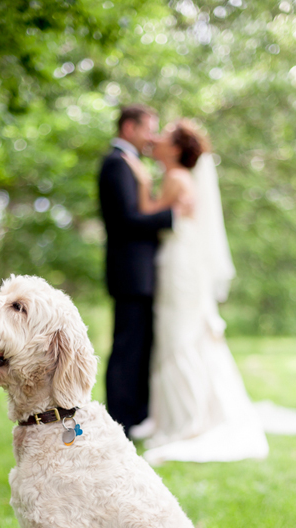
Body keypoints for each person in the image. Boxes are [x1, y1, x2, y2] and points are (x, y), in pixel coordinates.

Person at [121, 121, 271, 463]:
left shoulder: (175, 178)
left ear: (175, 150)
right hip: (178, 262)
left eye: (164, 137)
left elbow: (146, 212)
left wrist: (142, 181)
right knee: (180, 338)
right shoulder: (178, 178)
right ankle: (177, 417)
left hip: (179, 266)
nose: (156, 140)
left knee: (179, 339)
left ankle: (186, 422)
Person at [98, 105, 174, 437]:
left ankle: (138, 417)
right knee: (128, 348)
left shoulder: (130, 163)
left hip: (142, 274)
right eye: (148, 129)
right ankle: (120, 421)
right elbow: (124, 220)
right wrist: (170, 217)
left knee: (141, 348)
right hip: (130, 274)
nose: (153, 137)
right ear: (129, 128)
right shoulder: (115, 164)